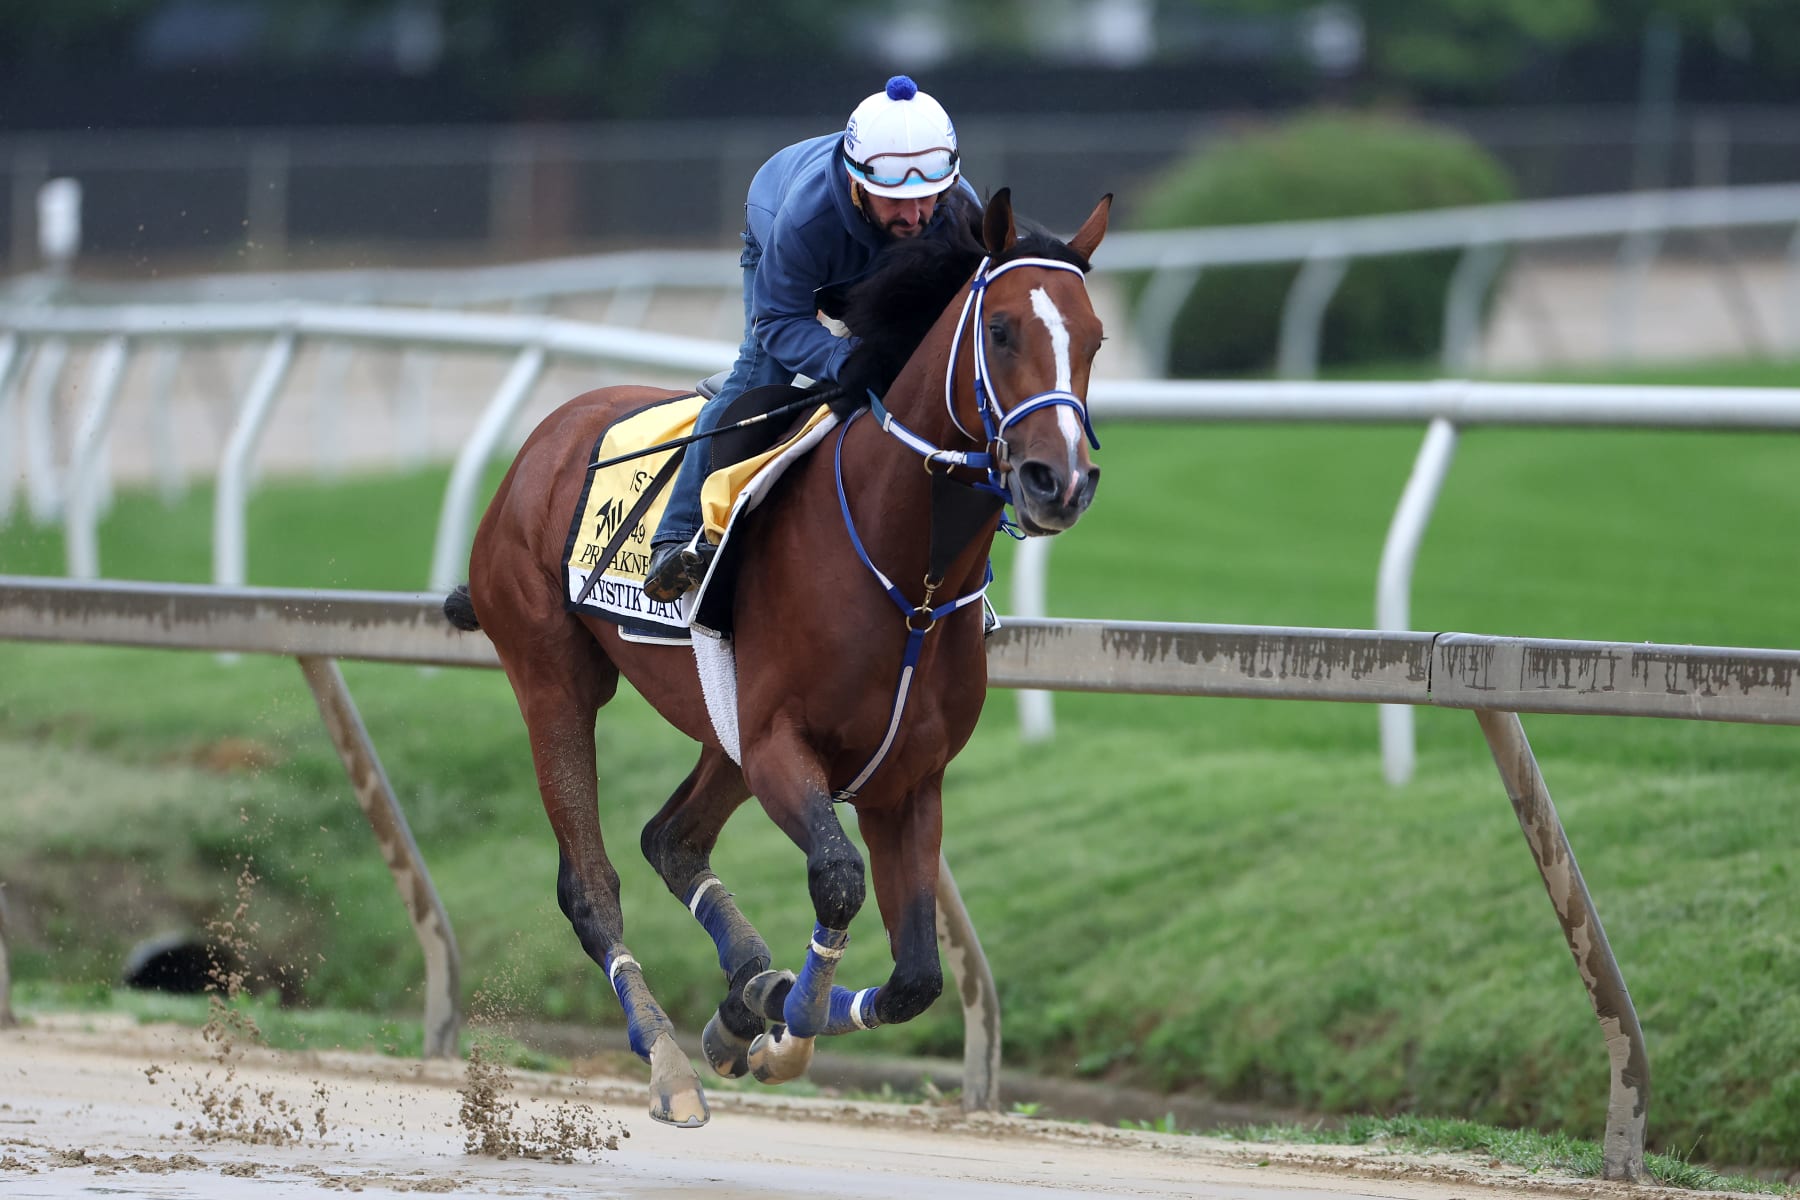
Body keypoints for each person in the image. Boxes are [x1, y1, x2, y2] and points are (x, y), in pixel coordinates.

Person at [642, 74, 980, 604]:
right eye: (895, 201)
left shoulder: (957, 208)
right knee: (759, 382)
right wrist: (846, 358)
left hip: (879, 267)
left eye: (927, 197)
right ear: (856, 182)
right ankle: (673, 537)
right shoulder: (807, 218)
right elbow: (778, 323)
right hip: (785, 246)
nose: (915, 216)